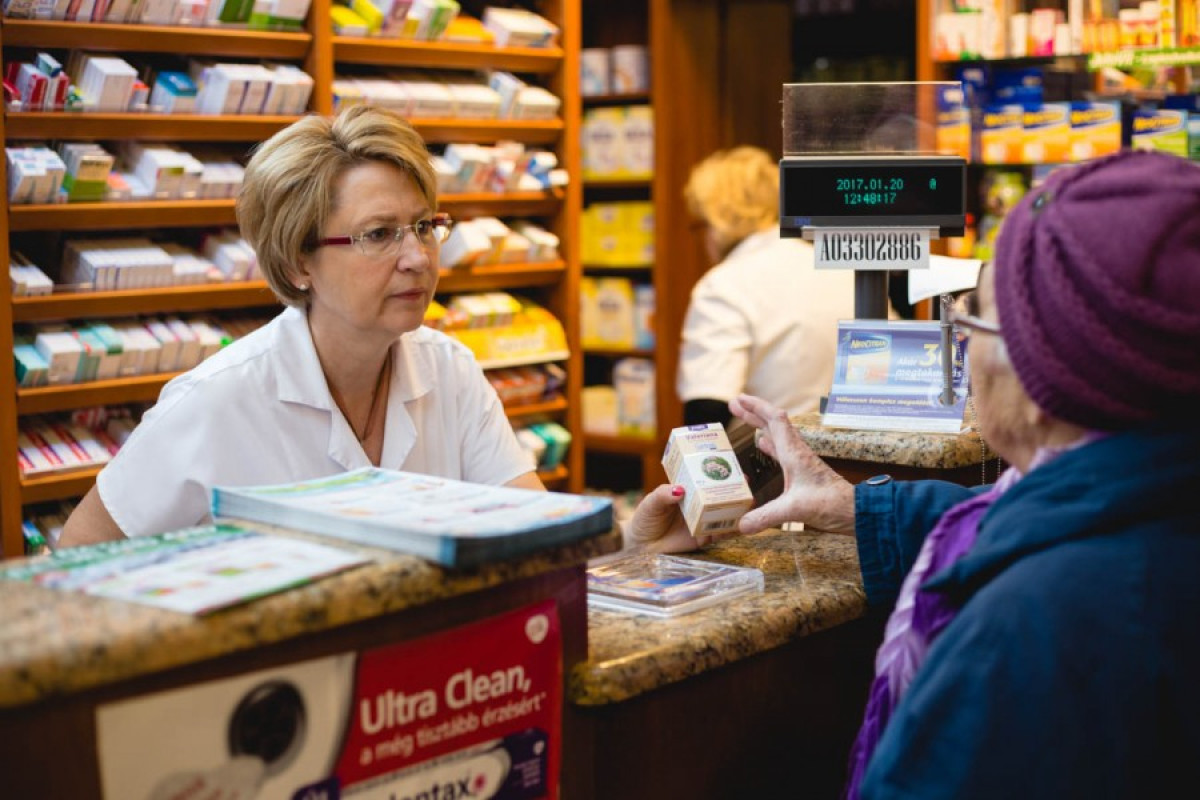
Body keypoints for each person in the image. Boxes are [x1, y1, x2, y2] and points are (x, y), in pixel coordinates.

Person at [631, 149, 1200, 797]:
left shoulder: (1022, 628)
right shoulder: (1152, 503)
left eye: (976, 316)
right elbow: (999, 513)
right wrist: (854, 506)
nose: (960, 339)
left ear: (1047, 379)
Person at [60, 106, 543, 547]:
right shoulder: (216, 401)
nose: (417, 257)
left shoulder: (450, 372)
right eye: (378, 234)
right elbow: (79, 552)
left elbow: (538, 530)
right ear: (298, 264)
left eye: (423, 227)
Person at [677, 146, 854, 428]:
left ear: (717, 221)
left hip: (770, 460)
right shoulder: (839, 268)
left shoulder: (724, 285)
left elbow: (707, 407)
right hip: (849, 456)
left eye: (702, 226)